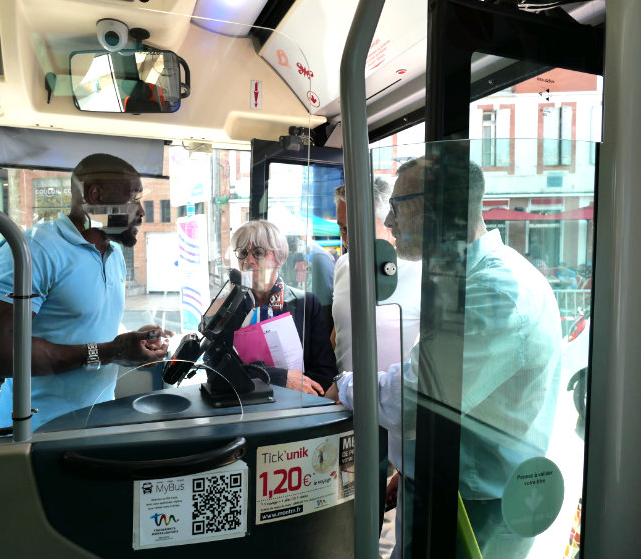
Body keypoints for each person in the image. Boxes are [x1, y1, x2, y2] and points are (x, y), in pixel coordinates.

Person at [329, 156, 561, 559]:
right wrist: (412, 467)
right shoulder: (471, 279)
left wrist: (344, 388)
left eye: (398, 207)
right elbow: (460, 404)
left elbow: (414, 402)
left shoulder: (495, 293)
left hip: (471, 507)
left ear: (435, 208)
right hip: (449, 485)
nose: (389, 224)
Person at [0, 154, 171, 431]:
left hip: (97, 424)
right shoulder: (35, 250)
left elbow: (83, 325)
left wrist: (131, 347)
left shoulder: (114, 254)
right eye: (133, 199)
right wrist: (111, 352)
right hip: (33, 431)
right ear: (95, 196)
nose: (141, 212)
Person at [330, 179, 421, 559]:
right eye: (340, 227)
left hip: (394, 421)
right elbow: (343, 334)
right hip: (346, 413)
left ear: (387, 219)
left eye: (352, 228)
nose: (345, 238)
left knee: (383, 536)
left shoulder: (419, 270)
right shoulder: (344, 265)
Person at [230, 219, 337, 395]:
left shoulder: (306, 304)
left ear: (279, 258)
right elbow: (217, 371)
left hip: (295, 408)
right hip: (244, 407)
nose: (249, 260)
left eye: (258, 252)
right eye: (242, 253)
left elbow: (325, 373)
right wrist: (280, 378)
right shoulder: (228, 309)